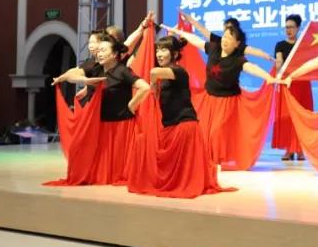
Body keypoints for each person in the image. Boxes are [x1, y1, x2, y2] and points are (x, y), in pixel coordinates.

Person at [163, 21, 283, 170]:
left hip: (227, 102)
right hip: (209, 99)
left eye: (229, 38)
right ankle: (206, 161)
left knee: (216, 132)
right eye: (224, 36)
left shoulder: (238, 60)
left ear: (237, 44)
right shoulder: (214, 48)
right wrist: (180, 33)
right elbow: (196, 41)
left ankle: (216, 161)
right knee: (203, 131)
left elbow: (252, 68)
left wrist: (269, 78)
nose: (225, 40)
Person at [127, 36, 235, 198]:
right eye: (157, 50)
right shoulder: (165, 77)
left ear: (175, 54)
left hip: (184, 126)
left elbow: (153, 72)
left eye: (163, 50)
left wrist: (153, 82)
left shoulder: (179, 72)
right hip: (171, 126)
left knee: (182, 177)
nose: (158, 54)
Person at [45, 35, 151, 186]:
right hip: (100, 124)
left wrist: (131, 105)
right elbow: (72, 75)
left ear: (114, 54)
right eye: (99, 50)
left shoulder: (122, 71)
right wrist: (83, 81)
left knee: (117, 167)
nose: (99, 53)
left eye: (103, 50)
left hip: (120, 125)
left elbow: (145, 87)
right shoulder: (96, 68)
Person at [271, 13, 311, 161]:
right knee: (288, 118)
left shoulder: (303, 45)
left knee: (301, 117)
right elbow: (279, 61)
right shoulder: (280, 45)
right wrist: (279, 69)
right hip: (287, 85)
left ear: (298, 28)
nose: (288, 30)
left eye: (291, 27)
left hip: (302, 84)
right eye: (286, 27)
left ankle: (300, 150)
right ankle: (288, 149)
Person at [179, 12, 274, 63]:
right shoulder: (219, 41)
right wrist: (190, 20)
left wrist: (269, 57)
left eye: (231, 30)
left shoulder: (239, 47)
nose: (227, 32)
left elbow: (255, 51)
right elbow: (203, 30)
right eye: (225, 30)